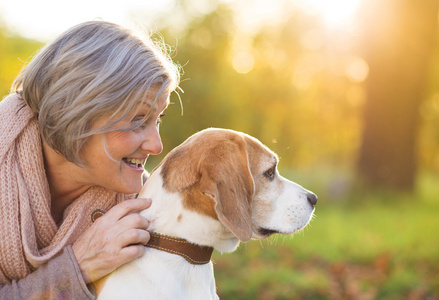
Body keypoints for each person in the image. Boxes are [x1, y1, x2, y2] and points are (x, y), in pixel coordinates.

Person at [0, 20, 180, 299]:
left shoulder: (144, 205)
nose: (156, 145)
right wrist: (76, 270)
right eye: (138, 120)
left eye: (158, 119)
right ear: (74, 115)